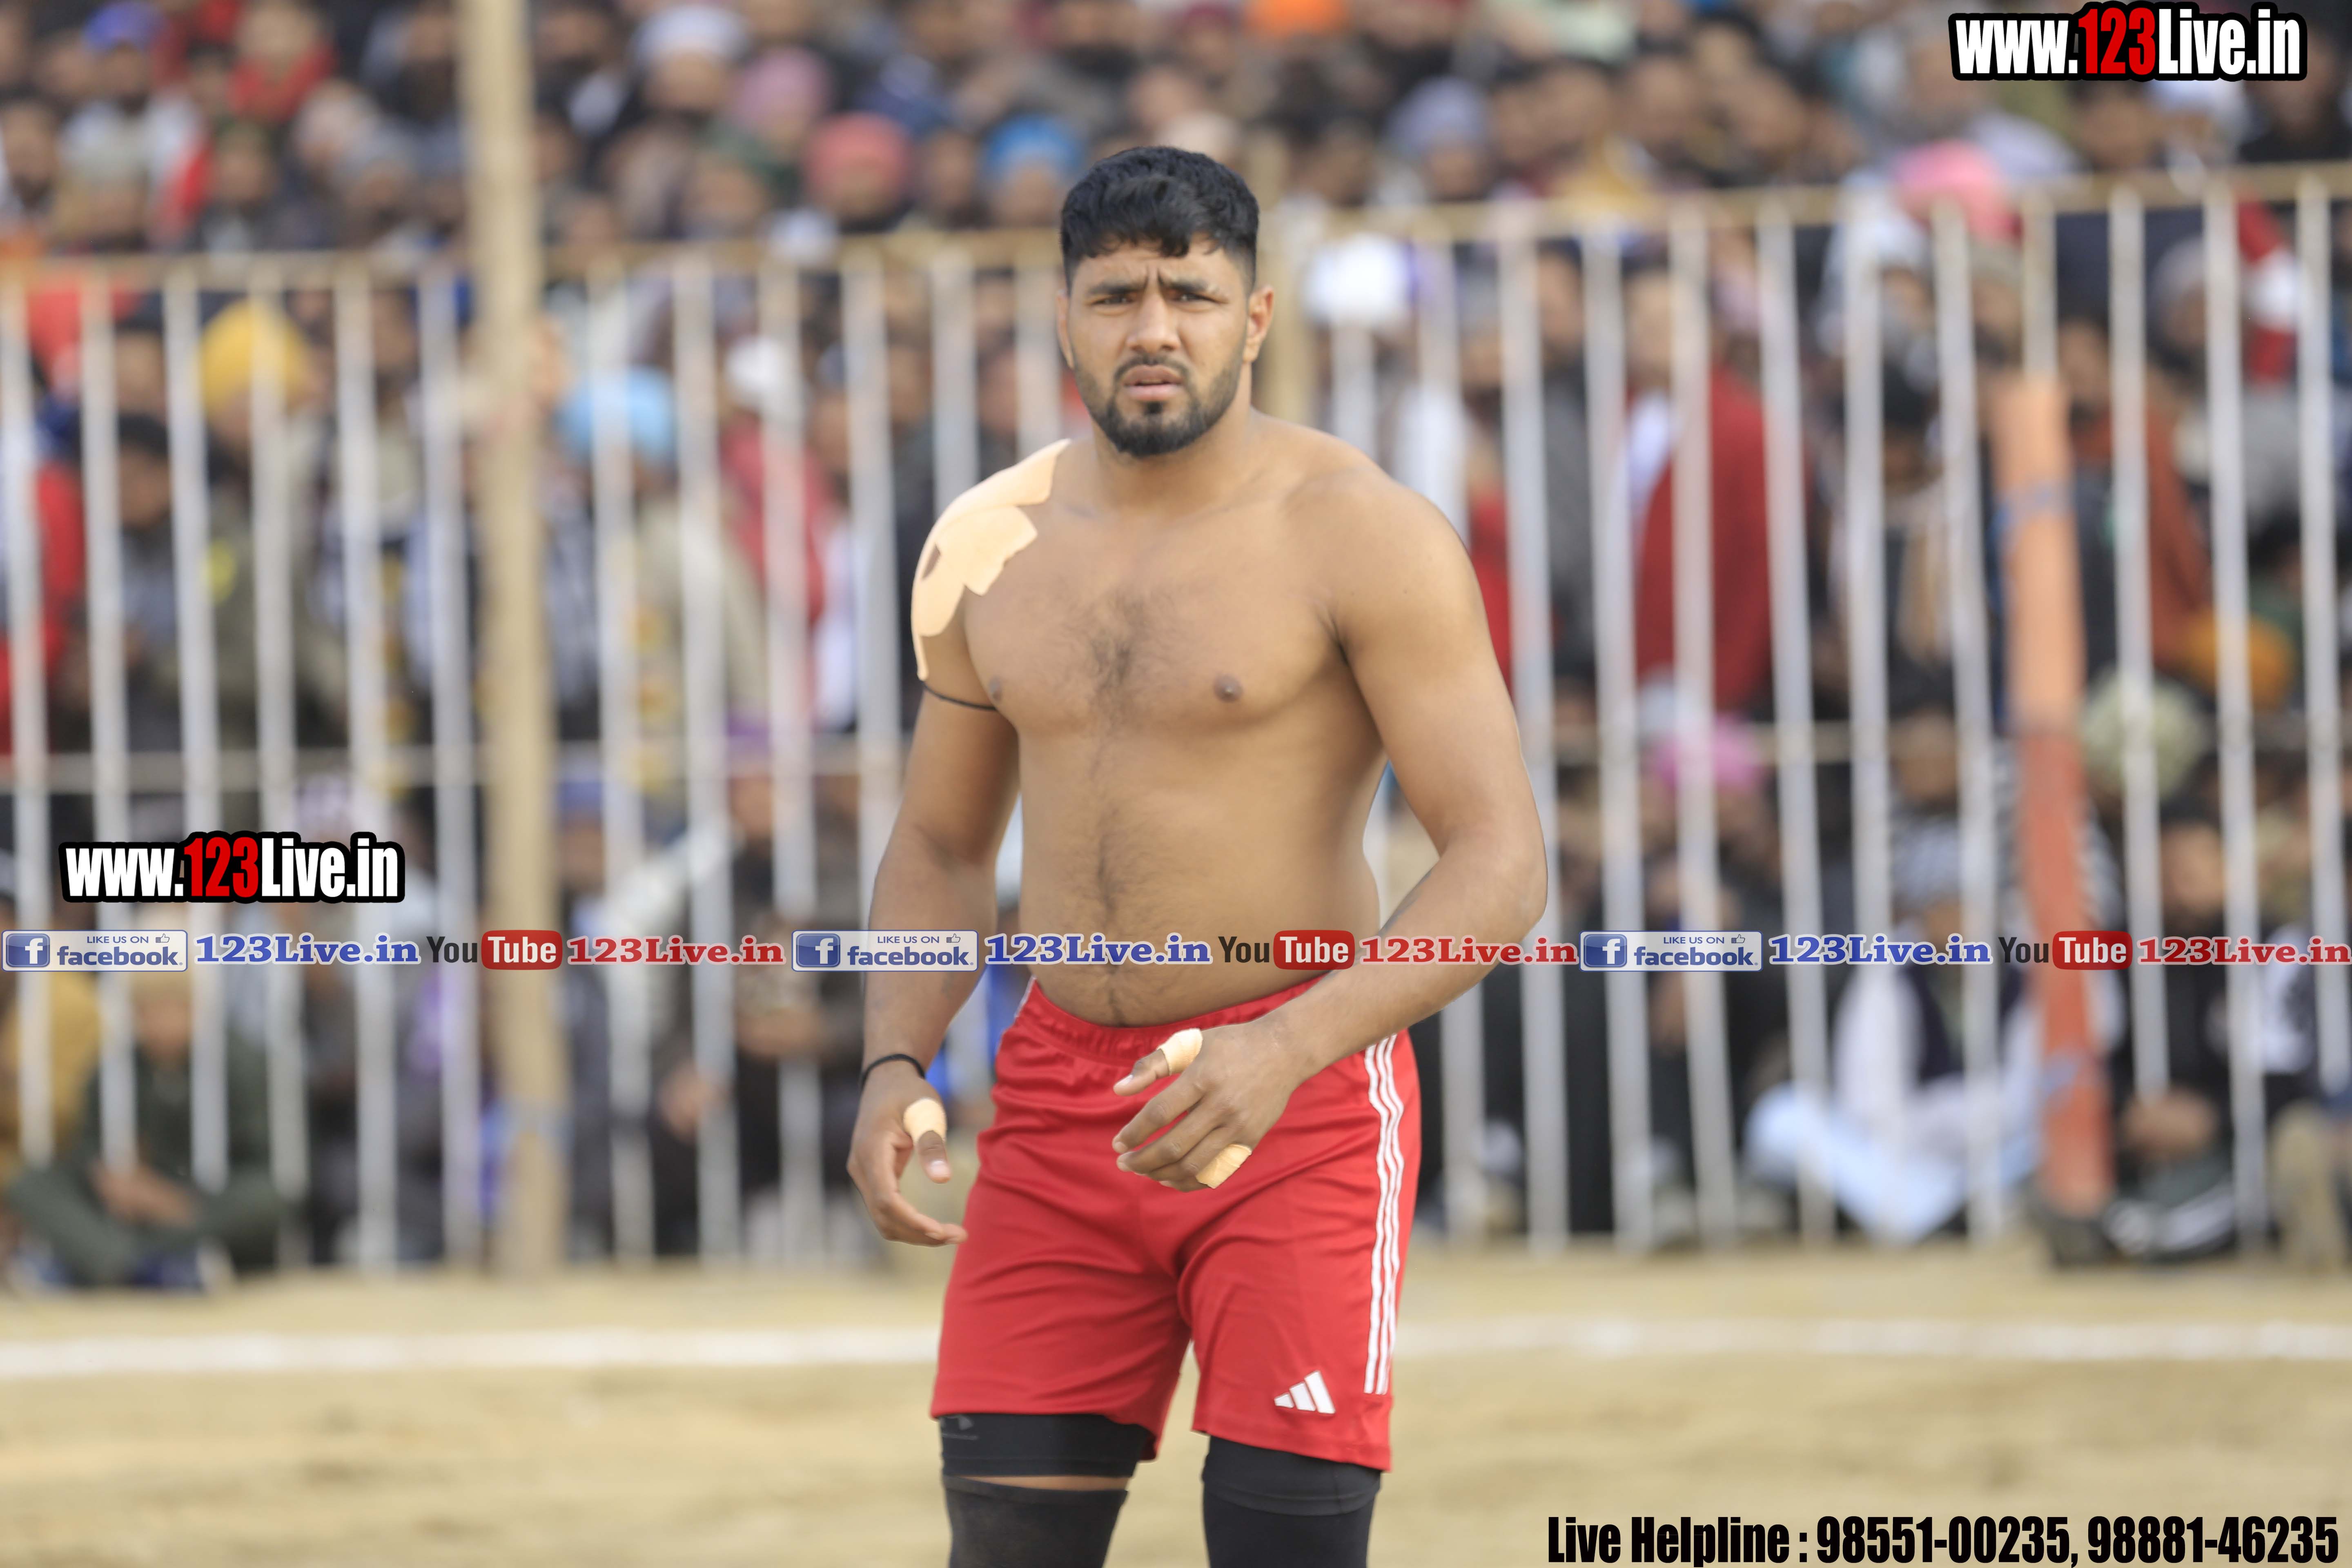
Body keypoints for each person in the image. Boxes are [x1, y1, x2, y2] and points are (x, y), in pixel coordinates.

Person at [846, 147, 1545, 1568]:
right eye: (1116, 297)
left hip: (1298, 1099)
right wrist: (894, 1059)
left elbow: (1500, 860)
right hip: (1055, 1098)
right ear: (1063, 317)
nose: (1152, 328)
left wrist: (1286, 1048)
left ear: (1257, 317)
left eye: (1191, 295)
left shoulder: (1363, 531)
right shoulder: (988, 540)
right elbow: (940, 840)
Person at [4, 963, 282, 1289]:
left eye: (170, 1008)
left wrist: (176, 1202)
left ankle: (121, 1261)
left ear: (195, 1008)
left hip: (203, 1203)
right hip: (131, 1201)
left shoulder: (238, 1063)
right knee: (30, 1184)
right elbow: (87, 1148)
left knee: (264, 1200)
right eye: (146, 1010)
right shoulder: (116, 1068)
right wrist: (113, 1178)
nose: (159, 1023)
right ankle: (140, 1266)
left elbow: (257, 1156)